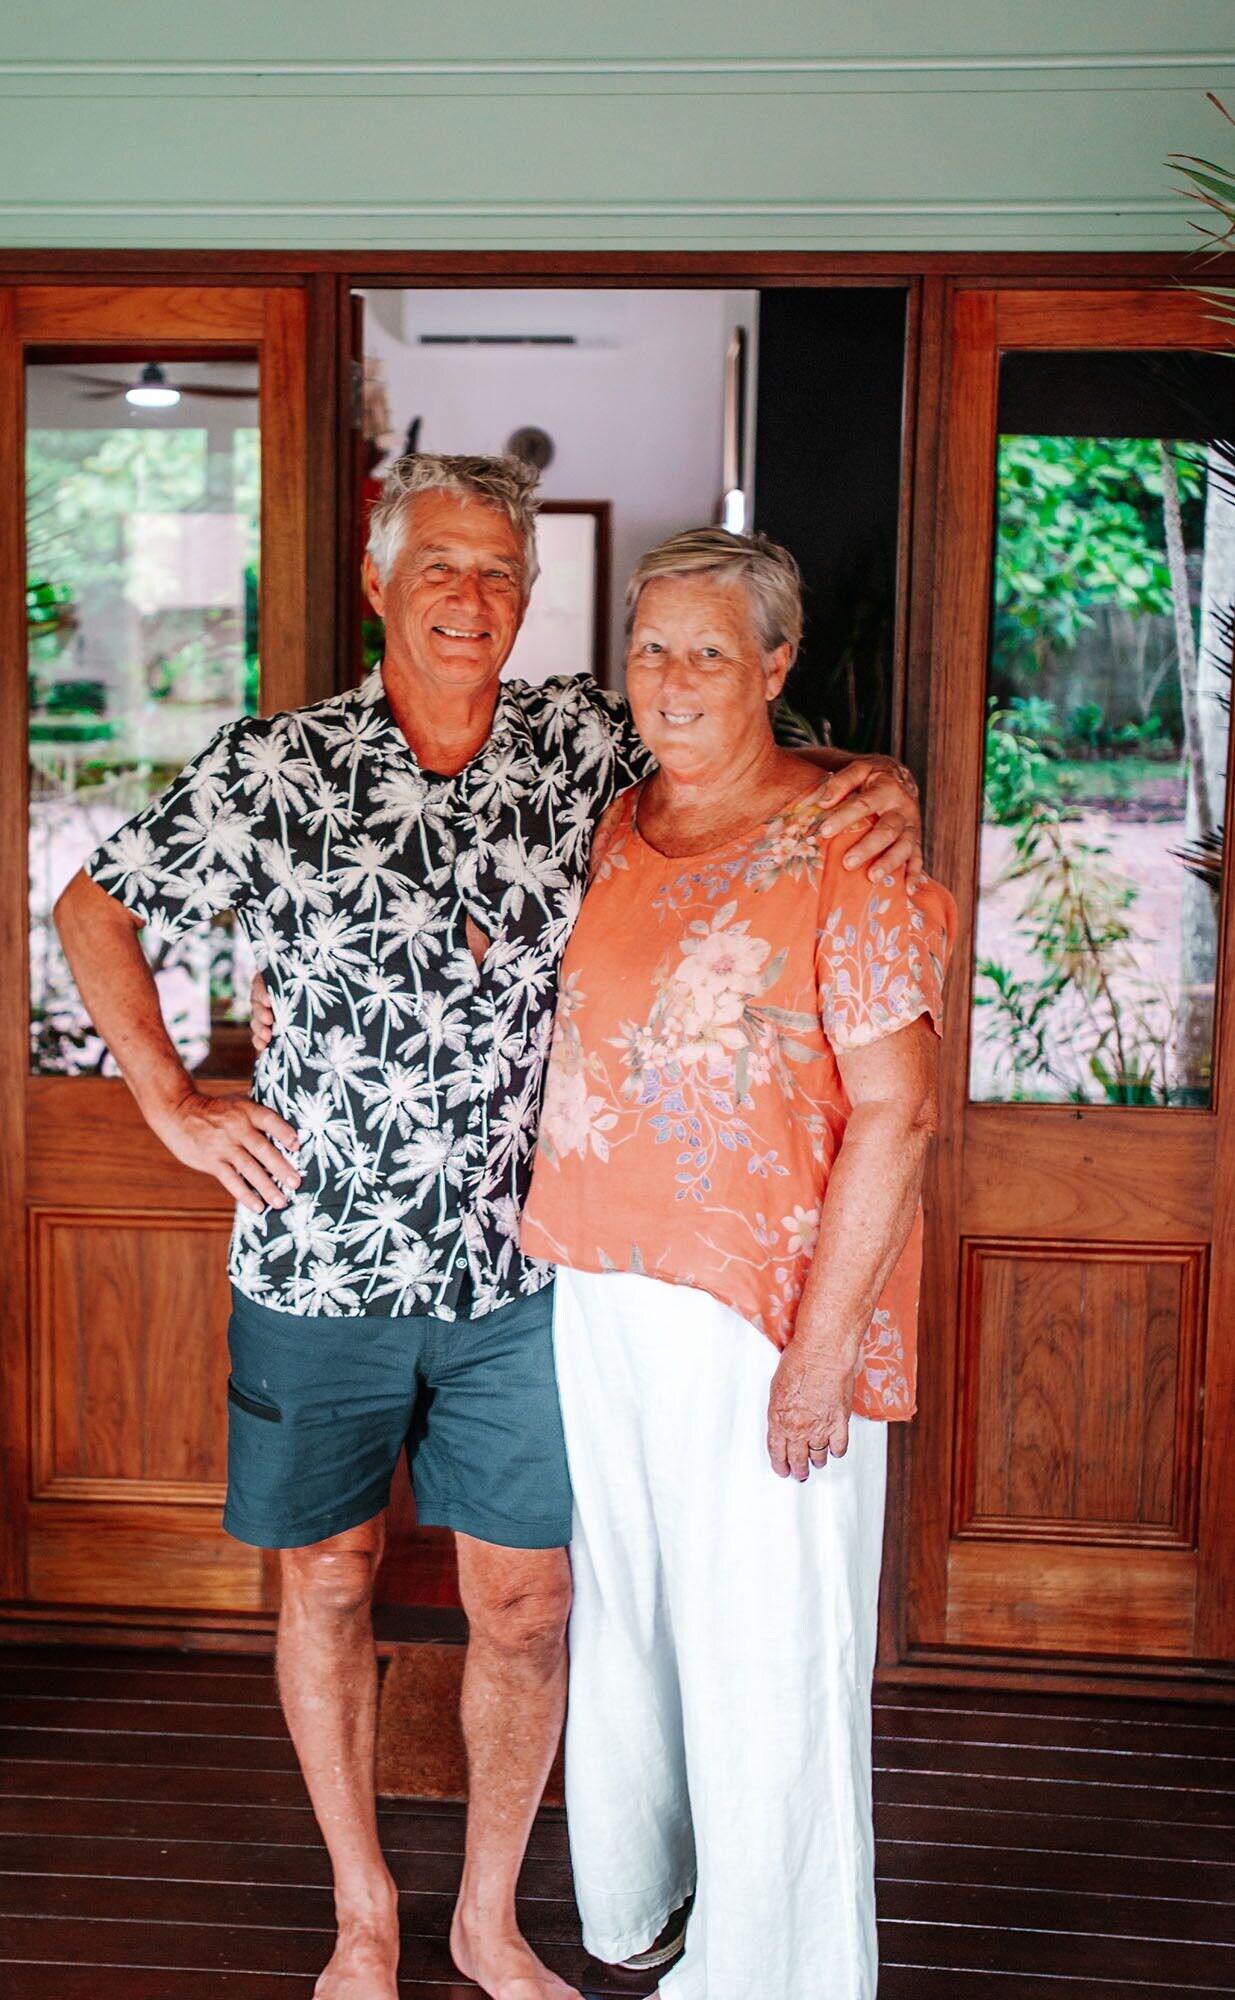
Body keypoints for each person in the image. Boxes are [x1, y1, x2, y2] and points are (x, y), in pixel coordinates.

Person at [54, 456, 924, 2000]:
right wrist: (172, 1101)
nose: (471, 598)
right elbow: (92, 909)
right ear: (378, 582)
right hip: (315, 1262)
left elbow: (748, 764)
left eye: (500, 573)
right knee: (326, 1578)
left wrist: (882, 781)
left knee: (525, 1605)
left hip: (524, 1275)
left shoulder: (583, 743)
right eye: (439, 566)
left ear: (532, 600)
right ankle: (363, 1914)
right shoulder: (276, 767)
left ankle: (486, 1918)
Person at [519, 527, 956, 2000]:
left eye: (711, 650)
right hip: (598, 1285)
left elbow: (899, 1109)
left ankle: (778, 1969)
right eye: (651, 647)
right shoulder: (610, 819)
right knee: (631, 1614)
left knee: (768, 1646)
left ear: (777, 664)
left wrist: (825, 1350)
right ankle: (638, 1902)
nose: (672, 677)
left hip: (767, 1315)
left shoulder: (850, 839)